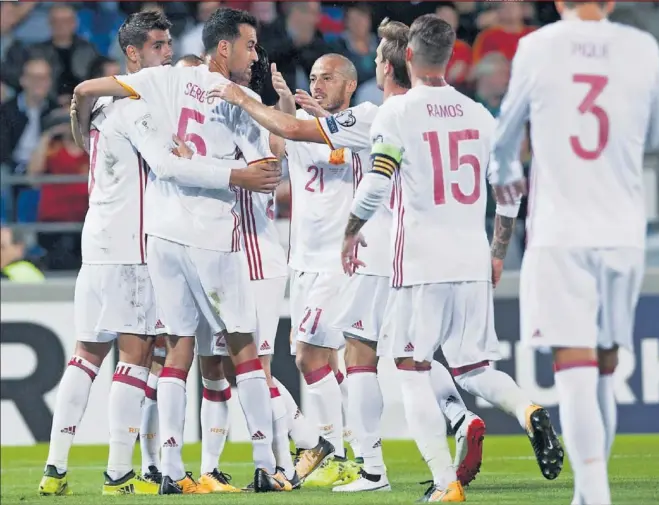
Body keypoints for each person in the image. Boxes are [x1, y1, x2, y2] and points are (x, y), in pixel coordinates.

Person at [208, 18, 489, 492]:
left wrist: (245, 98)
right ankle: (451, 417)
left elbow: (297, 132)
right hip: (310, 261)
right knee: (366, 354)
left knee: (325, 355)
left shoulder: (369, 117)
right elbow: (284, 139)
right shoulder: (323, 124)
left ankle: (345, 452)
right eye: (314, 76)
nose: (318, 82)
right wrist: (279, 105)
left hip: (347, 259)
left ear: (354, 82)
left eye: (330, 76)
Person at [340, 14, 564, 502]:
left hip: (420, 262)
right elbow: (509, 193)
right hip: (472, 259)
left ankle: (445, 484)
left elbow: (377, 182)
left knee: (410, 365)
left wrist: (350, 231)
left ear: (411, 57)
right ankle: (529, 411)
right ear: (452, 57)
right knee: (473, 368)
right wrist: (498, 253)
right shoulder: (481, 115)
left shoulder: (396, 113)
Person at [71, 7, 288, 494]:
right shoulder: (242, 98)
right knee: (243, 346)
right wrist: (237, 169)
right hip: (212, 234)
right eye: (250, 46)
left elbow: (91, 90)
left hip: (162, 237)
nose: (255, 56)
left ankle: (170, 469)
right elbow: (267, 172)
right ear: (224, 48)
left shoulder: (162, 78)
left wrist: (78, 112)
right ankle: (262, 462)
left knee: (177, 349)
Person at [490, 2, 659, 503]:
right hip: (624, 229)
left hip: (562, 229)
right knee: (604, 366)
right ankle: (588, 494)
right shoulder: (644, 47)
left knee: (576, 367)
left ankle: (595, 494)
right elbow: (652, 135)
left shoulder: (538, 47)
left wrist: (506, 178)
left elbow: (504, 136)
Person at [38, 11, 174, 496]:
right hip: (130, 247)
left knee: (85, 355)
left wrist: (82, 95)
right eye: (158, 45)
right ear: (133, 54)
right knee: (136, 356)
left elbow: (80, 119)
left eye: (168, 42)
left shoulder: (100, 107)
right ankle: (120, 472)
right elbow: (169, 165)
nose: (168, 52)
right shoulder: (137, 105)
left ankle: (54, 468)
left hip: (94, 243)